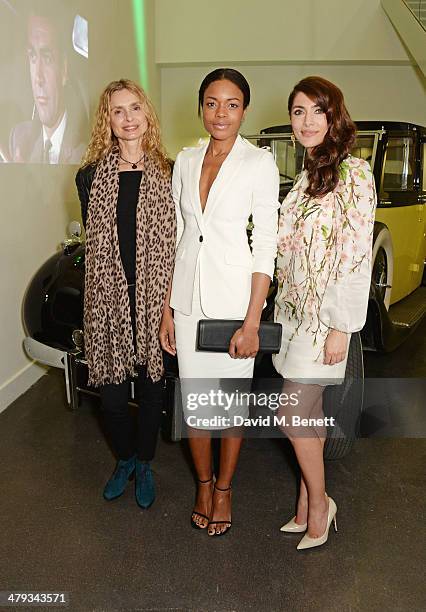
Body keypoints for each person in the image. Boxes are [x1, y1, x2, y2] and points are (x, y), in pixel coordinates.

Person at [159, 68, 279, 536]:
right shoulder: (186, 160)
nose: (221, 112)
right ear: (201, 107)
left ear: (244, 109)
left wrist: (253, 320)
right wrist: (168, 308)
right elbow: (180, 235)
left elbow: (265, 243)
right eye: (212, 102)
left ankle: (225, 489)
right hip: (187, 298)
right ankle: (203, 485)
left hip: (234, 301)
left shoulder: (259, 163)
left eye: (231, 103)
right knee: (196, 401)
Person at [273, 76, 376, 549]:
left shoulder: (355, 173)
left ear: (335, 117)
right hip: (293, 318)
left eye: (318, 110)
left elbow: (358, 254)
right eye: (298, 112)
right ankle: (303, 501)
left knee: (291, 415)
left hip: (324, 322)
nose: (307, 121)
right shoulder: (302, 179)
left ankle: (320, 502)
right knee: (306, 416)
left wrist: (342, 325)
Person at [75, 79, 176, 508]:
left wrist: (169, 305)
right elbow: (96, 245)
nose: (129, 118)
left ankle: (147, 462)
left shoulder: (170, 173)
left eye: (135, 108)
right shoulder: (89, 176)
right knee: (113, 395)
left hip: (155, 299)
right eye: (118, 111)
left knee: (152, 390)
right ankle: (126, 459)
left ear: (147, 114)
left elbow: (179, 244)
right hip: (109, 301)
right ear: (108, 121)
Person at [9, 4, 87, 163]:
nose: (38, 78)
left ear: (64, 70)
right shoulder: (18, 140)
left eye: (47, 58)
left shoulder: (86, 150)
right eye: (32, 57)